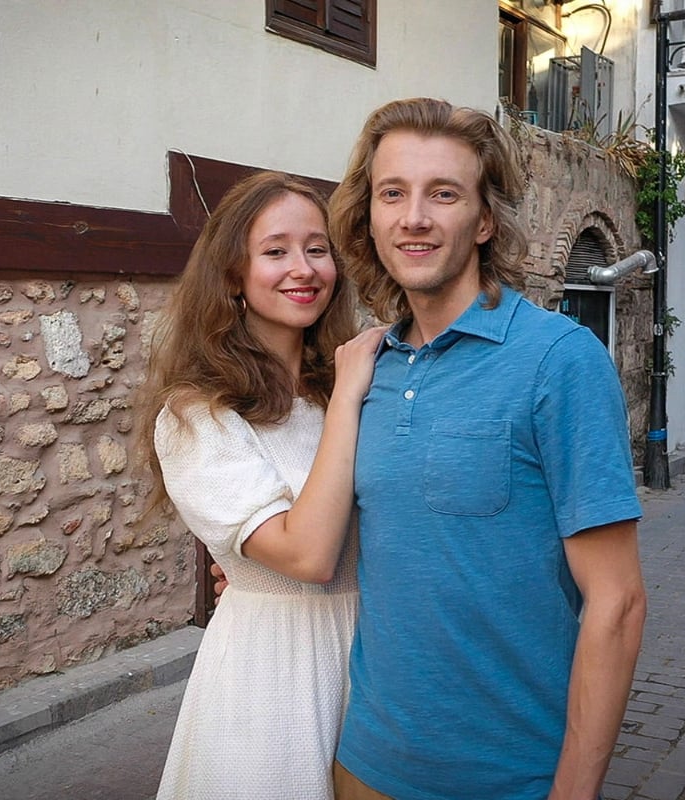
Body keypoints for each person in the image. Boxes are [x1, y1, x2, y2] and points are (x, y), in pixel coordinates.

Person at [327, 97, 647, 800]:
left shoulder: (559, 361)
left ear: (485, 219)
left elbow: (617, 602)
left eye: (443, 193)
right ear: (370, 215)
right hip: (362, 764)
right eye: (392, 193)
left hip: (507, 778)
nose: (414, 217)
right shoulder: (368, 369)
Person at [135, 170, 384, 800]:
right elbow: (307, 556)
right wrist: (353, 392)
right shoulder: (198, 417)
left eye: (317, 248)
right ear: (232, 276)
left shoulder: (342, 389)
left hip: (378, 659)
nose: (302, 268)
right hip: (273, 672)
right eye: (275, 251)